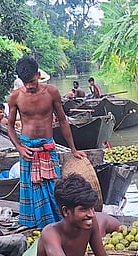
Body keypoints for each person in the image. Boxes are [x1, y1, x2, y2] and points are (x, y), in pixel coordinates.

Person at [6, 56, 85, 230]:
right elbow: (10, 126)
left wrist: (74, 149)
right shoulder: (15, 97)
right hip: (27, 147)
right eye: (25, 82)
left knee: (54, 186)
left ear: (38, 75)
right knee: (31, 189)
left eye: (32, 81)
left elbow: (63, 121)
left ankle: (56, 223)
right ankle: (36, 226)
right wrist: (19, 147)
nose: (29, 86)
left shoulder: (52, 92)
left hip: (48, 146)